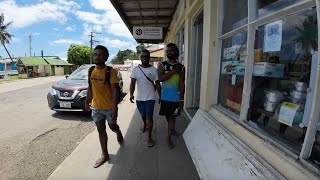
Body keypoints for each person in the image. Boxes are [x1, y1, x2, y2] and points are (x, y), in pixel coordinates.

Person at [85, 45, 124, 168]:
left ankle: (118, 132)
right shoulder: (91, 70)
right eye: (96, 54)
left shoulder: (111, 71)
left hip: (109, 108)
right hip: (96, 108)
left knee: (112, 127)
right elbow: (90, 87)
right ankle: (105, 154)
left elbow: (115, 92)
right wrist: (87, 101)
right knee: (101, 130)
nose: (97, 56)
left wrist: (115, 109)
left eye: (101, 54)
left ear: (106, 57)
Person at [130, 49, 161, 147]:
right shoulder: (136, 70)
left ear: (149, 57)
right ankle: (145, 124)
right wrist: (131, 94)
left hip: (150, 98)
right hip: (139, 98)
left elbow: (157, 84)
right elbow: (132, 83)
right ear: (140, 58)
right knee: (143, 115)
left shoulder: (153, 70)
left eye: (146, 56)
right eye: (142, 56)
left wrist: (160, 96)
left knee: (149, 117)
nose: (144, 58)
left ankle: (149, 137)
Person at [158, 43, 185, 149]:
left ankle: (168, 138)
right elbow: (160, 78)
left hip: (175, 99)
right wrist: (173, 72)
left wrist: (182, 99)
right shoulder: (162, 65)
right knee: (168, 117)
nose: (169, 53)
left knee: (172, 118)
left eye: (171, 51)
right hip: (165, 98)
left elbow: (182, 84)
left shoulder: (181, 67)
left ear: (176, 51)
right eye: (167, 51)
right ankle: (172, 130)